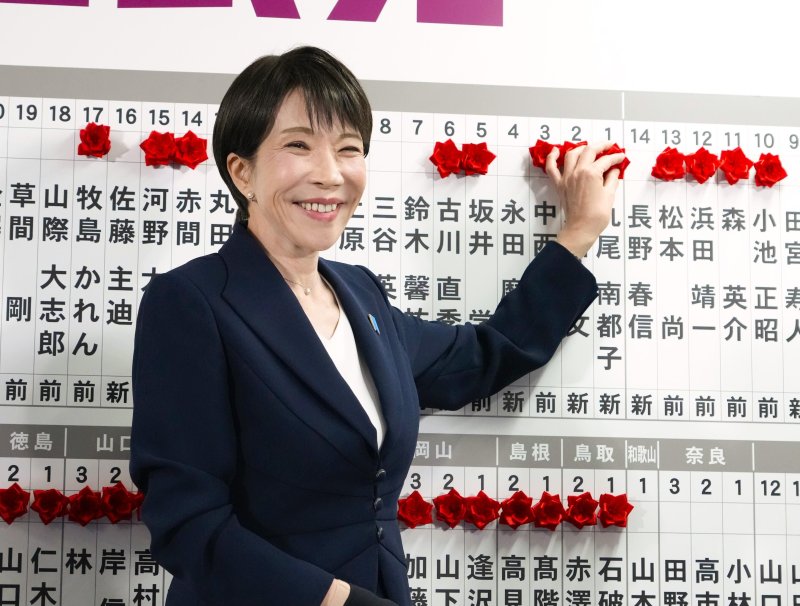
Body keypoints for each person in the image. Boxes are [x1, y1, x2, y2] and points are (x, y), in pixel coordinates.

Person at [130, 46, 624, 606]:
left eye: (349, 149)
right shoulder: (192, 302)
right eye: (298, 145)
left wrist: (578, 234)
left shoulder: (360, 292)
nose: (330, 174)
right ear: (242, 171)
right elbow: (188, 525)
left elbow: (486, 355)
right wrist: (338, 600)